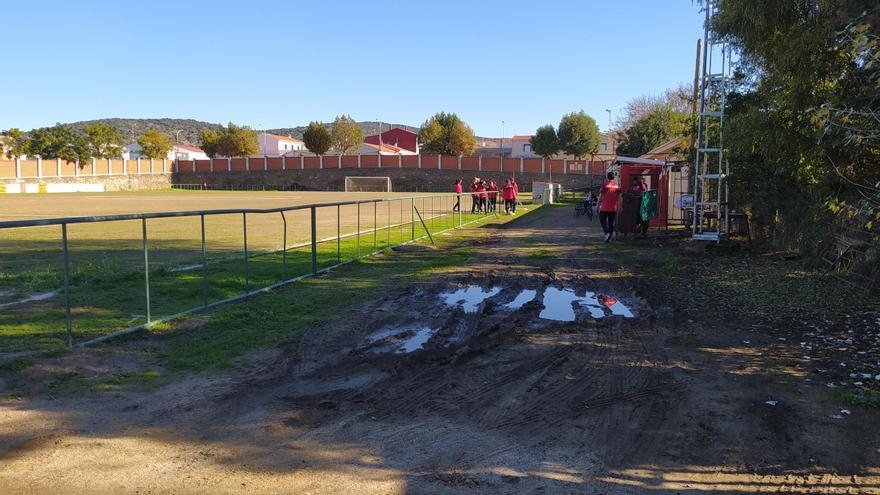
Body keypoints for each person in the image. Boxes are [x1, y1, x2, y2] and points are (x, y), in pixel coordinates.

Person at [598, 172, 621, 242]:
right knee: (611, 222)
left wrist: (598, 205)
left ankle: (607, 233)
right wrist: (620, 206)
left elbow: (600, 196)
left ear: (607, 177)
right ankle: (610, 234)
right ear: (614, 177)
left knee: (602, 220)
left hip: (604, 207)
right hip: (613, 207)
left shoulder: (604, 186)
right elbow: (620, 197)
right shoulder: (617, 186)